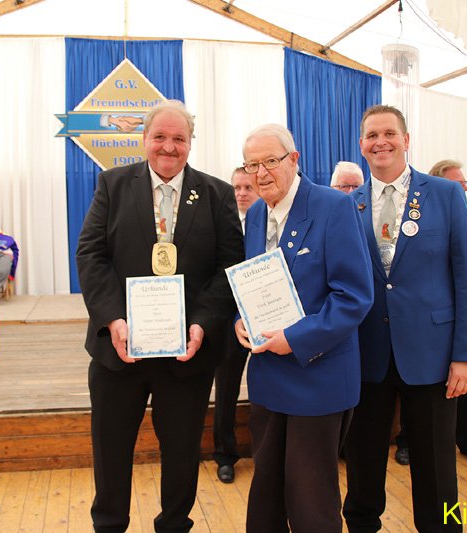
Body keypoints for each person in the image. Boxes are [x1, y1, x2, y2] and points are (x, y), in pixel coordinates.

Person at [76, 100, 244, 533]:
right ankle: (108, 526)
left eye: (179, 139)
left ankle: (173, 525)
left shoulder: (217, 194)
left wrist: (202, 323)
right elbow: (91, 255)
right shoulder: (113, 184)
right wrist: (113, 319)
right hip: (120, 351)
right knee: (110, 450)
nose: (169, 147)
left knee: (183, 452)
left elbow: (228, 267)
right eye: (160, 137)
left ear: (191, 143)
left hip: (187, 354)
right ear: (144, 139)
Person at [343, 105, 467, 532]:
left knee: (437, 467)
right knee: (362, 462)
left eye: (389, 133)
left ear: (406, 140)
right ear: (361, 145)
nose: (381, 142)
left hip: (432, 355)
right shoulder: (348, 205)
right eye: (372, 135)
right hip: (366, 355)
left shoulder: (445, 195)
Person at [235, 124, 373, 532]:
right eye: (252, 165)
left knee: (312, 501)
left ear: (294, 160)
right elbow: (254, 283)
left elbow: (354, 296)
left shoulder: (334, 207)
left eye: (270, 161)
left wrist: (295, 339)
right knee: (266, 493)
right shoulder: (256, 213)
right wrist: (242, 320)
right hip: (268, 376)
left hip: (318, 378)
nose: (261, 173)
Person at [395, 159, 467, 468]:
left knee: (438, 462)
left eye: (464, 183)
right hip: (392, 337)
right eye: (457, 182)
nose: (463, 187)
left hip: (442, 332)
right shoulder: (370, 206)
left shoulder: (463, 212)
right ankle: (405, 441)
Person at [213, 166, 259, 484]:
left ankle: (267, 450)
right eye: (236, 188)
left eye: (247, 187)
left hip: (267, 316)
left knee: (267, 388)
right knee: (226, 389)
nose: (241, 193)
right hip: (231, 320)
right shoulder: (222, 223)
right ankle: (225, 456)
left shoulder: (269, 222)